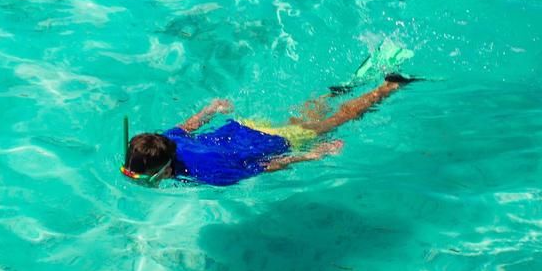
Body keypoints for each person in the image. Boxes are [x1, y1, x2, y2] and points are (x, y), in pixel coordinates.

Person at [121, 74, 417, 187]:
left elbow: (265, 165)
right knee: (307, 110)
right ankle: (336, 91)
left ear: (167, 171)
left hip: (275, 141)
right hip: (246, 125)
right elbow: (188, 126)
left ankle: (388, 86)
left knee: (340, 120)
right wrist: (210, 110)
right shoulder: (166, 140)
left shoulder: (209, 173)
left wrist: (312, 155)